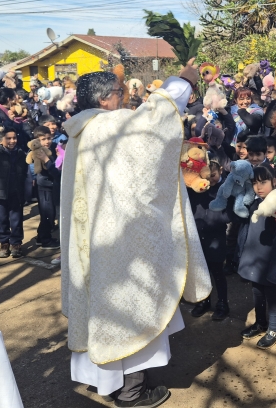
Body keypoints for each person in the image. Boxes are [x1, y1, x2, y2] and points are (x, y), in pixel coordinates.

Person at [61, 62, 210, 407]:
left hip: (94, 244)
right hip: (120, 248)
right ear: (104, 99)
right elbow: (154, 121)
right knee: (132, 309)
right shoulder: (110, 126)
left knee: (104, 313)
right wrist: (183, 80)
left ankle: (110, 385)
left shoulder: (81, 130)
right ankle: (132, 393)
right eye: (121, 93)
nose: (127, 99)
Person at [237, 165, 276, 350]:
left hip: (270, 260)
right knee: (257, 291)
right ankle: (260, 322)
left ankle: (274, 328)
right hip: (254, 258)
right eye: (255, 183)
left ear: (274, 182)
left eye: (263, 182)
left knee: (271, 293)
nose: (258, 187)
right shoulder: (254, 204)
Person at [188, 160, 232, 321]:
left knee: (217, 272)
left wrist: (219, 219)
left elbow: (231, 211)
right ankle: (204, 300)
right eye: (207, 175)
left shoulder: (226, 188)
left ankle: (222, 303)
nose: (210, 179)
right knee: (201, 271)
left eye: (213, 175)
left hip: (216, 235)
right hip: (199, 235)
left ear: (220, 170)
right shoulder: (196, 186)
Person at [0, 127, 27, 258]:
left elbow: (24, 172)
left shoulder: (20, 153)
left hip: (16, 191)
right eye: (8, 138)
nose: (12, 141)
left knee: (16, 218)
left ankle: (16, 243)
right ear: (1, 141)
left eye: (14, 138)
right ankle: (4, 243)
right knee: (1, 219)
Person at [31, 125, 60, 250]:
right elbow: (54, 172)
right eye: (43, 139)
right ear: (37, 141)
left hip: (50, 186)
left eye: (49, 138)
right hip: (44, 186)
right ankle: (45, 239)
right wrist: (47, 160)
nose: (47, 141)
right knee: (48, 213)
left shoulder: (52, 149)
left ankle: (41, 236)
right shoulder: (40, 153)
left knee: (49, 213)